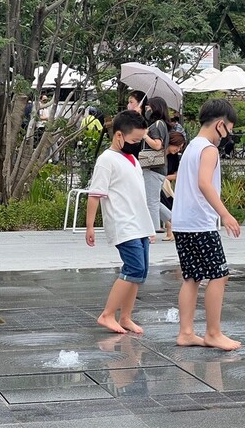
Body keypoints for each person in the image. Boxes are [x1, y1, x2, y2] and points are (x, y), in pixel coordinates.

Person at [172, 98, 242, 351]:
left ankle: (186, 332)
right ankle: (213, 333)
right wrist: (225, 214)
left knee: (192, 277)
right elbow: (204, 183)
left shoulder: (192, 146)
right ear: (221, 125)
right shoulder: (209, 149)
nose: (227, 137)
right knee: (219, 275)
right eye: (229, 131)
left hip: (182, 223)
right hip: (200, 223)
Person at [84, 110, 154, 334]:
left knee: (139, 274)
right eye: (134, 140)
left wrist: (149, 227)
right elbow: (95, 194)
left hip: (139, 224)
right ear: (118, 136)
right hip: (123, 224)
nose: (137, 145)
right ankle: (107, 314)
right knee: (134, 269)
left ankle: (125, 317)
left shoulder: (132, 158)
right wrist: (90, 226)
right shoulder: (106, 160)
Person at [142, 97, 170, 235]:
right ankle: (174, 220)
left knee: (151, 201)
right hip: (158, 168)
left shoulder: (157, 124)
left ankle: (152, 231)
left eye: (149, 107)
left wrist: (145, 136)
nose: (147, 109)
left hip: (153, 167)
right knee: (153, 200)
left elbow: (157, 145)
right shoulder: (161, 124)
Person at [159, 131, 186, 242]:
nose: (178, 150)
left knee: (163, 196)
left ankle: (171, 225)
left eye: (180, 148)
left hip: (164, 182)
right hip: (156, 182)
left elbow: (177, 175)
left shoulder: (174, 157)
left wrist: (165, 178)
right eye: (177, 146)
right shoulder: (158, 154)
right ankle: (171, 225)